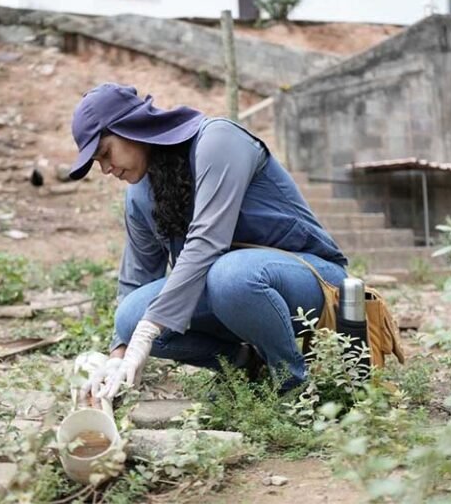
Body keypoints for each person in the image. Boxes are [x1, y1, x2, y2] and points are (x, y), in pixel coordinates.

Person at [70, 83, 348, 402]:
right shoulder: (139, 195)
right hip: (231, 292)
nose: (106, 169)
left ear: (133, 128)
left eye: (105, 153)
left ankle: (294, 388)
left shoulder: (219, 140)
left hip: (311, 281)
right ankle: (244, 365)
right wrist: (117, 359)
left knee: (227, 276)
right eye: (97, 162)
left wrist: (148, 333)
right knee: (130, 316)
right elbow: (136, 282)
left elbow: (207, 242)